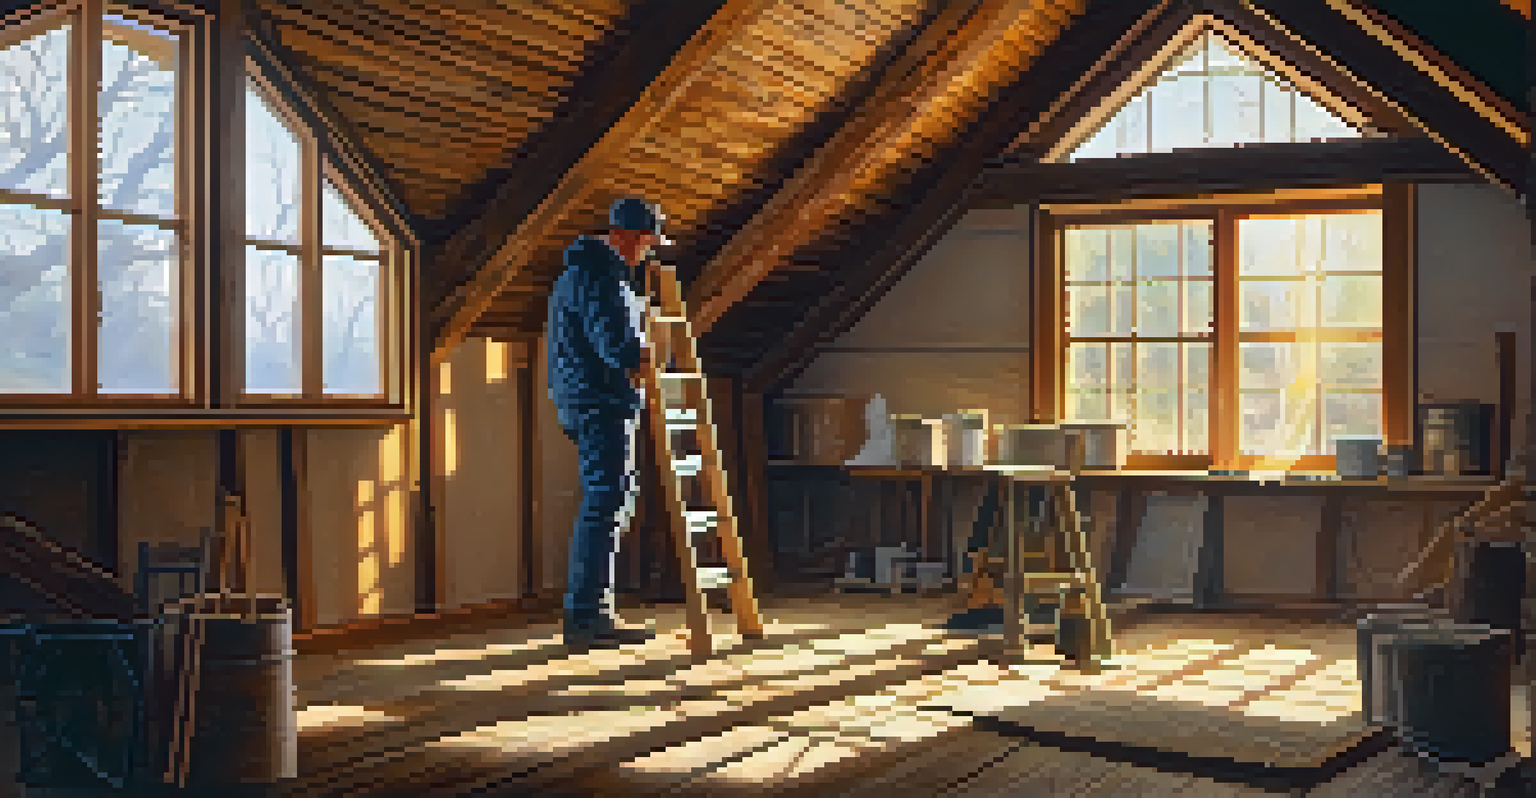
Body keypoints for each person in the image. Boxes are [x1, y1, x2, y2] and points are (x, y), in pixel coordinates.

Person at [546, 197, 668, 649]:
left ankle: (591, 612)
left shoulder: (575, 273)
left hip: (581, 398)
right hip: (600, 400)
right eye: (645, 245)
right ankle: (588, 616)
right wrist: (647, 352)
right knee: (607, 499)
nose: (646, 255)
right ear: (627, 238)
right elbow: (616, 346)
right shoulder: (603, 276)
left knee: (607, 498)